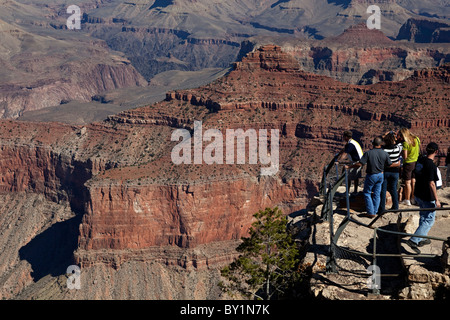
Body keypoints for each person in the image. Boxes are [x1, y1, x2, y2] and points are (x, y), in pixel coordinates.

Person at [405, 142, 441, 253]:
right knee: (429, 220)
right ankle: (414, 240)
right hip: (427, 196)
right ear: (436, 152)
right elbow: (432, 183)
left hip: (418, 193)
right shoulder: (431, 165)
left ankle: (422, 238)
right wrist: (437, 199)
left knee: (423, 217)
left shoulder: (421, 160)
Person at [346, 137, 392, 218]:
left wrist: (349, 167)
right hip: (381, 175)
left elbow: (360, 164)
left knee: (367, 193)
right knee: (377, 194)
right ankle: (375, 211)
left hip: (371, 175)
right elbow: (389, 164)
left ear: (373, 144)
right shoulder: (385, 153)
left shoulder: (368, 153)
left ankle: (371, 212)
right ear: (381, 144)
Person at [377, 132, 402, 214]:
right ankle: (395, 207)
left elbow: (380, 138)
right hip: (395, 172)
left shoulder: (383, 149)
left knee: (383, 190)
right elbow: (400, 142)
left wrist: (386, 134)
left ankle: (382, 208)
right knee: (394, 189)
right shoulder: (398, 148)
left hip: (385, 172)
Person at [397, 128, 420, 206]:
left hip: (408, 163)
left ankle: (407, 200)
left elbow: (405, 156)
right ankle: (413, 198)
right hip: (416, 161)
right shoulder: (417, 139)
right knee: (413, 181)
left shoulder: (406, 143)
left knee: (407, 182)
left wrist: (401, 154)